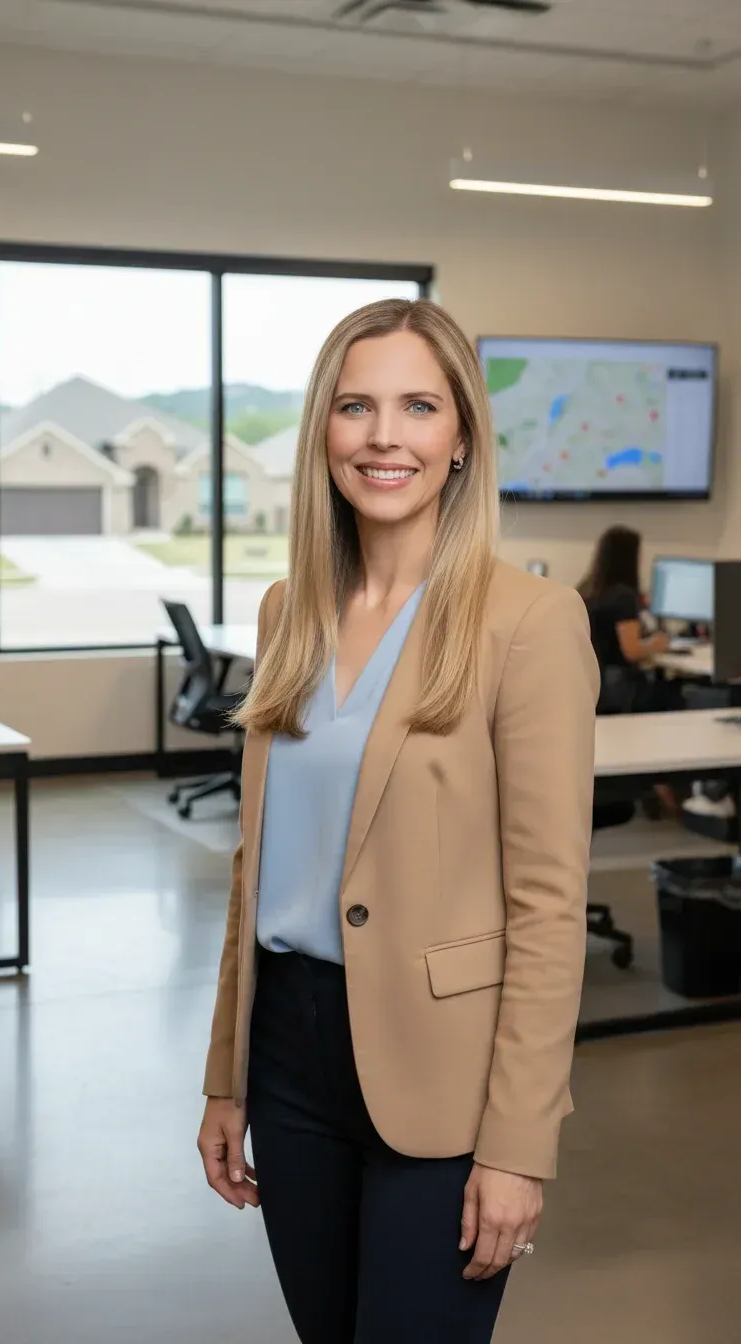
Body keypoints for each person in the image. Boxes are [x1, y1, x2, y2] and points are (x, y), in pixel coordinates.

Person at [197, 298, 599, 1344]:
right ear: (322, 433)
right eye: (356, 406)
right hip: (287, 1051)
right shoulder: (291, 610)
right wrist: (225, 1081)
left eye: (419, 406)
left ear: (461, 435)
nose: (385, 436)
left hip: (446, 1071)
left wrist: (518, 1145)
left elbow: (551, 907)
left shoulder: (528, 622)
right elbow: (257, 869)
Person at [578, 525, 674, 714]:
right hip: (616, 689)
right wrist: (656, 644)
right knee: (675, 691)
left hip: (589, 685)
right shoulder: (624, 597)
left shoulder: (587, 589)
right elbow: (631, 651)